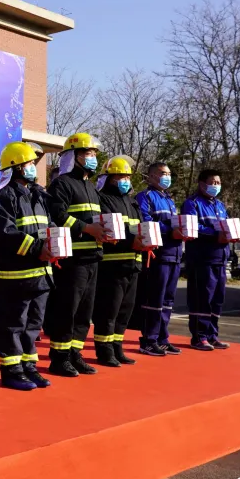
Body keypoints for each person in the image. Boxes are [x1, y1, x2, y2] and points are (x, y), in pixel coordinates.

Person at [0, 142, 57, 391]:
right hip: (13, 276)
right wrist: (39, 249)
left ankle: (29, 367)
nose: (32, 168)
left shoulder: (37, 196)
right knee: (13, 324)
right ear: (15, 167)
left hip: (39, 275)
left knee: (33, 325)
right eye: (28, 163)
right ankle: (11, 371)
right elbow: (5, 232)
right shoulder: (2, 197)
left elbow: (47, 228)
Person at [44, 133, 109, 376]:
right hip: (72, 260)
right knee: (67, 310)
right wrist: (86, 228)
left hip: (93, 256)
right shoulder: (62, 184)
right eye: (87, 153)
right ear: (74, 156)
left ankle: (75, 354)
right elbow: (58, 215)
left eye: (93, 153)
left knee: (84, 312)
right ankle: (59, 358)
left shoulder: (91, 187)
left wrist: (104, 231)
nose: (92, 158)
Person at [92, 155, 147, 368]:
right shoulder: (103, 199)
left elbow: (139, 225)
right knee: (108, 310)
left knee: (125, 310)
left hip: (133, 263)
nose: (125, 180)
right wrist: (134, 241)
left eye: (127, 176)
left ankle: (117, 347)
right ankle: (104, 351)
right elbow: (110, 230)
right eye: (120, 176)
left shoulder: (131, 201)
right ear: (109, 178)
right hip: (112, 265)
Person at [135, 162, 184, 357]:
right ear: (152, 176)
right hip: (158, 255)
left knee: (168, 300)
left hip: (175, 254)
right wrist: (170, 230)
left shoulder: (169, 199)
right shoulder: (145, 197)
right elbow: (145, 222)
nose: (167, 177)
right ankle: (149, 339)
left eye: (169, 173)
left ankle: (163, 339)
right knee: (154, 298)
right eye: (163, 173)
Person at [181, 169, 232, 351]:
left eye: (218, 183)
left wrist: (230, 234)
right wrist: (215, 234)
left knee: (217, 299)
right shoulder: (192, 203)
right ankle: (199, 337)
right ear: (202, 184)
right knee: (201, 298)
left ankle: (212, 334)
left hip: (220, 258)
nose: (216, 186)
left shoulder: (220, 205)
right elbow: (193, 228)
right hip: (202, 259)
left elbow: (225, 226)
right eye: (213, 182)